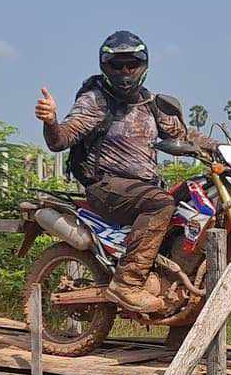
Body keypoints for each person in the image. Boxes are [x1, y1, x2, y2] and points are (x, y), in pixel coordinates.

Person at [36, 30, 205, 314]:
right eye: (117, 65)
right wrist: (51, 121)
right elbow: (61, 139)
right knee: (161, 203)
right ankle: (127, 282)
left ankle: (173, 294)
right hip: (107, 187)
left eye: (131, 64)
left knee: (190, 197)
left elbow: (185, 135)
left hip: (142, 189)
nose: (125, 71)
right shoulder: (96, 100)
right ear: (105, 67)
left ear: (143, 65)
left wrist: (230, 149)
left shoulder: (150, 103)